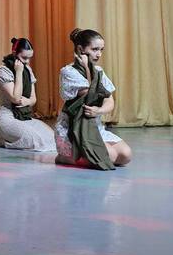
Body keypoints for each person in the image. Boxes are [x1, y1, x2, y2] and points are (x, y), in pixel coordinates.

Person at [54, 28, 133, 168]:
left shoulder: (99, 71)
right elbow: (91, 95)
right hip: (76, 130)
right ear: (81, 49)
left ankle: (88, 154)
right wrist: (86, 67)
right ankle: (66, 156)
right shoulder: (68, 72)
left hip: (94, 127)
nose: (99, 54)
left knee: (125, 155)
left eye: (101, 50)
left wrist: (99, 111)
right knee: (110, 155)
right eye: (95, 49)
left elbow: (109, 99)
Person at [0, 38, 56, 151]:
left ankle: (10, 139)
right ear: (14, 53)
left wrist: (26, 101)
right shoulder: (3, 71)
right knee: (36, 140)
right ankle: (5, 141)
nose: (27, 61)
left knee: (52, 138)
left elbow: (33, 99)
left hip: (23, 117)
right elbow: (15, 98)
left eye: (29, 58)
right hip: (8, 118)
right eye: (24, 58)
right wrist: (18, 72)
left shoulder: (28, 70)